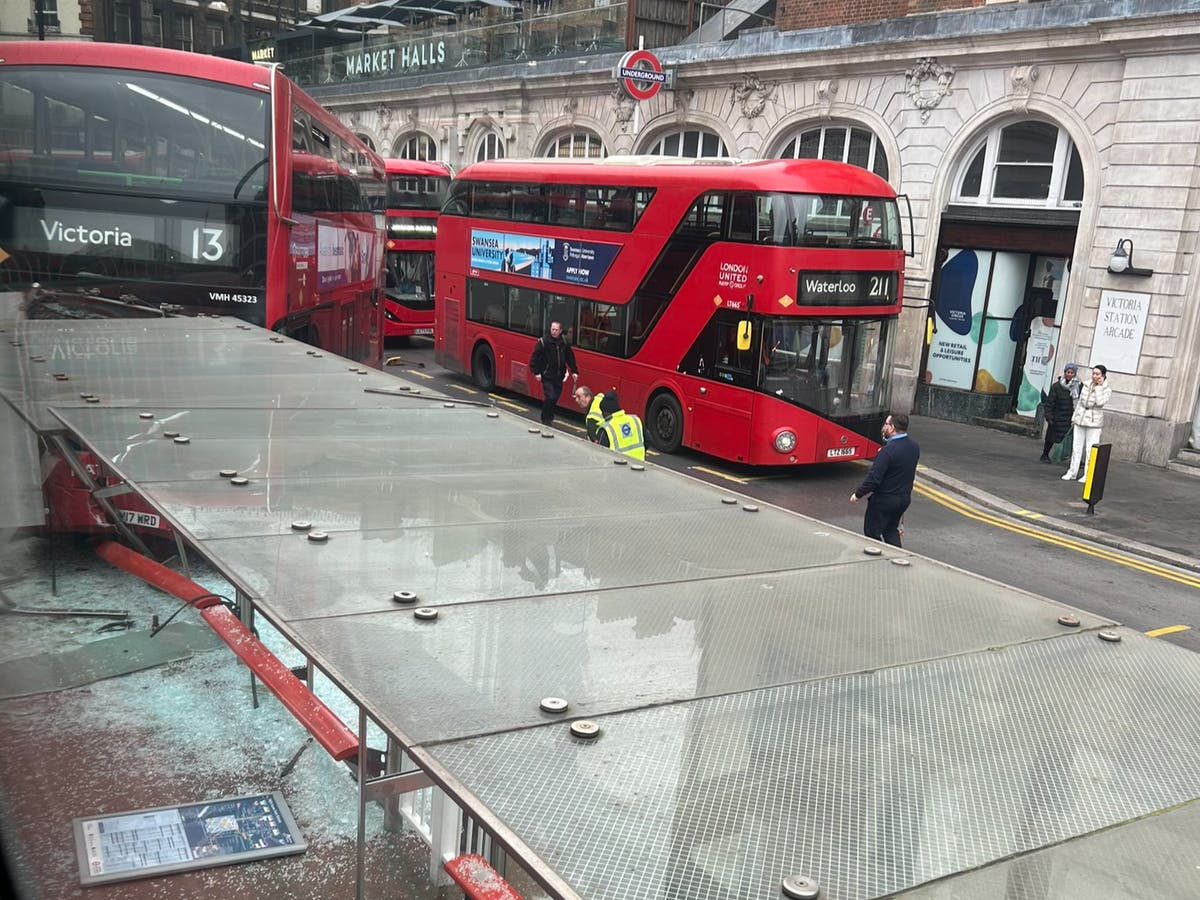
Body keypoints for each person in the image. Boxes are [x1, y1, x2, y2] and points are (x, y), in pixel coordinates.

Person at [849, 412, 920, 547]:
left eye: (886, 424)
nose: (883, 427)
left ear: (892, 428)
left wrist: (858, 494)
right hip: (903, 499)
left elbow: (874, 479)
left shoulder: (887, 451)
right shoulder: (914, 447)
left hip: (884, 501)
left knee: (872, 533)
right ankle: (897, 558)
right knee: (890, 530)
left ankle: (879, 561)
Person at [1063, 364, 1112, 483]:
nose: (1095, 376)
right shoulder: (1086, 384)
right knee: (1076, 447)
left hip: (1094, 420)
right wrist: (1074, 417)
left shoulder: (1107, 389)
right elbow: (1080, 402)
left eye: (1097, 374)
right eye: (1093, 373)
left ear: (1103, 376)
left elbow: (1100, 403)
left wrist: (1099, 387)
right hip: (1081, 417)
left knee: (1091, 449)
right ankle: (1072, 471)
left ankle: (1088, 474)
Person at [529, 321, 578, 426]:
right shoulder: (543, 342)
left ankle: (549, 415)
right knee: (550, 396)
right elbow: (534, 357)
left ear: (560, 331)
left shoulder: (564, 342)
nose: (554, 332)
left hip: (559, 375)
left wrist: (574, 371)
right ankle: (545, 418)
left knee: (555, 397)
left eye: (556, 330)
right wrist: (536, 372)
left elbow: (570, 357)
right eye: (552, 329)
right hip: (547, 375)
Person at [1040, 363, 1078, 462]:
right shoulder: (1056, 386)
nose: (1069, 374)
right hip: (1057, 416)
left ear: (1075, 374)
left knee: (1070, 440)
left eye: (1072, 372)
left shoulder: (1078, 387)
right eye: (1067, 372)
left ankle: (1072, 458)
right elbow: (1050, 402)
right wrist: (1049, 416)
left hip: (1069, 416)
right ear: (1064, 373)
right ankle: (1045, 454)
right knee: (1051, 438)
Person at [596, 391, 645, 460]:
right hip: (638, 466)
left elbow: (599, 454)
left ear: (606, 413)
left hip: (616, 468)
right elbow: (647, 441)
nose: (602, 415)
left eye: (602, 412)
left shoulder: (606, 428)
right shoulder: (635, 420)